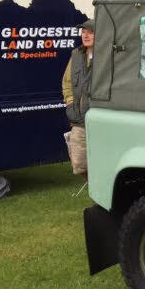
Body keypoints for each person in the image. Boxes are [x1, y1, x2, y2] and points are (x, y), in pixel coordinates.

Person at [61, 18, 94, 178]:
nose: (85, 36)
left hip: (99, 119)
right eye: (83, 32)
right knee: (79, 164)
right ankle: (96, 192)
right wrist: (70, 103)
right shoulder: (76, 55)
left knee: (104, 161)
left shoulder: (109, 56)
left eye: (90, 32)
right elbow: (67, 82)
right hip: (79, 120)